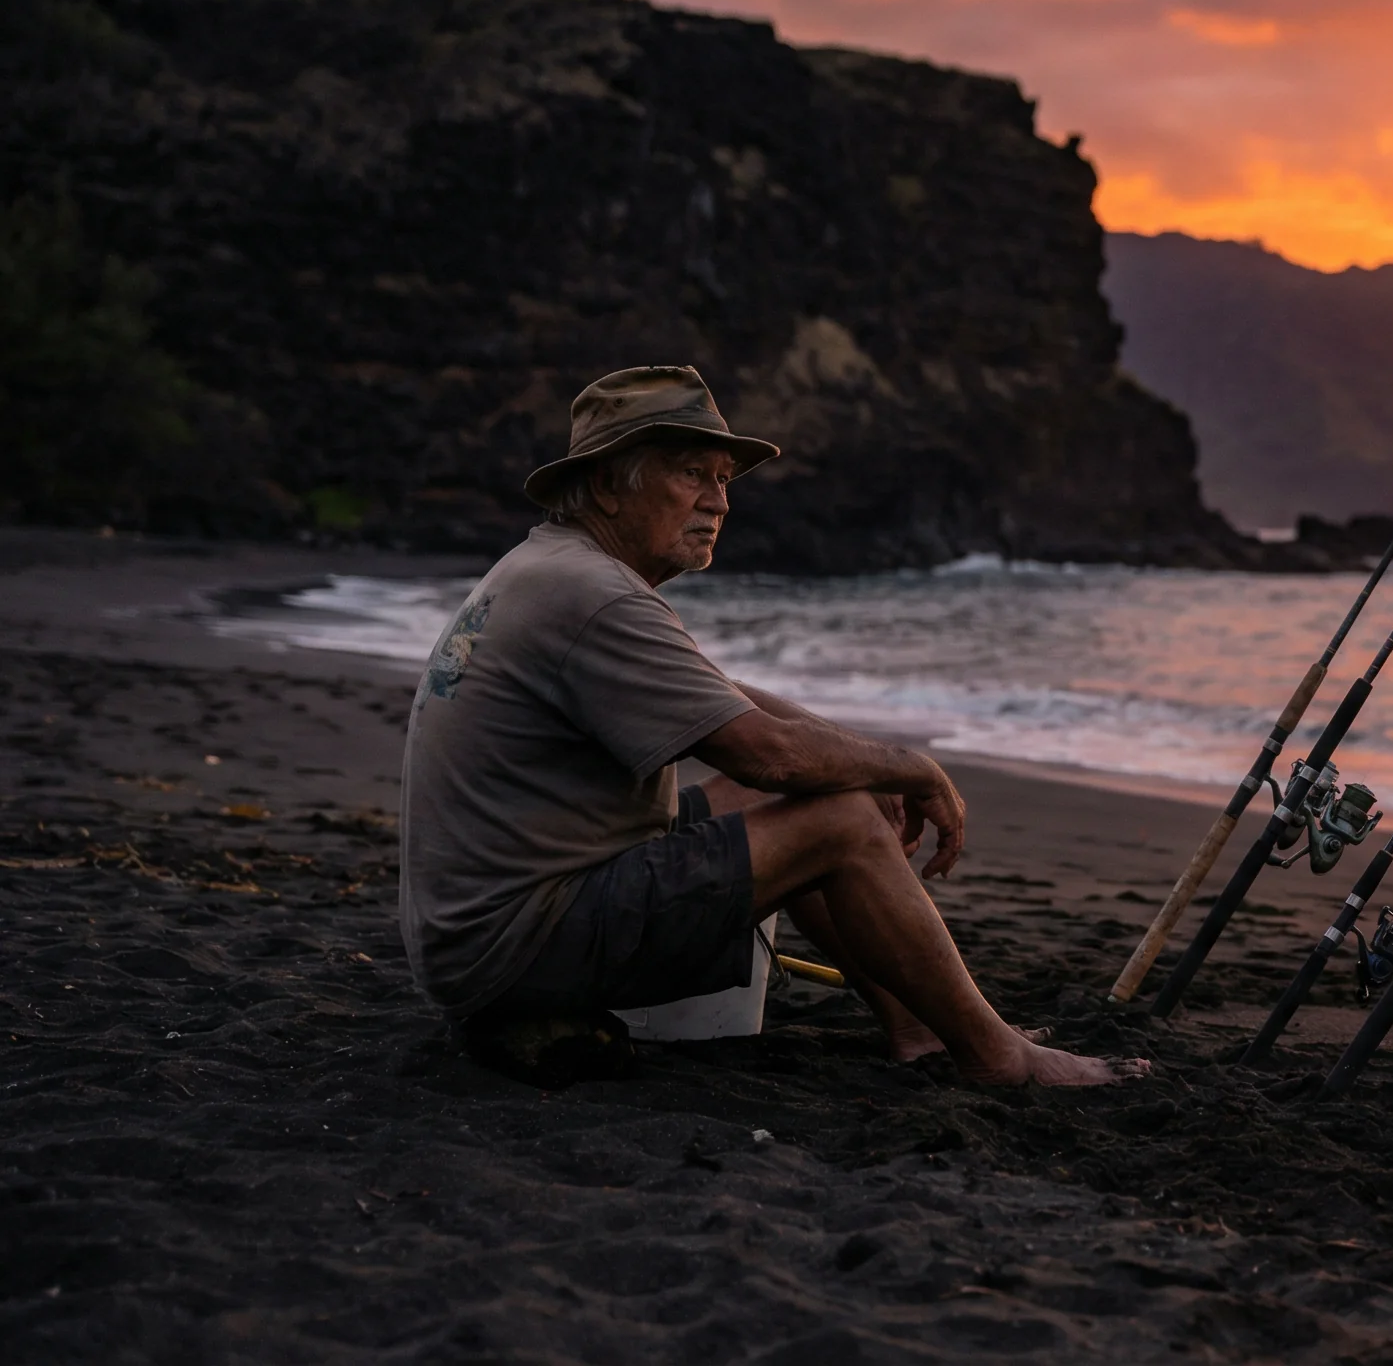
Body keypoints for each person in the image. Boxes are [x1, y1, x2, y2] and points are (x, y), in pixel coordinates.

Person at [399, 365, 1143, 1087]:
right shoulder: (594, 594)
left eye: (723, 479)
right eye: (693, 474)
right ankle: (995, 1054)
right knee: (841, 821)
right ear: (605, 485)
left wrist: (868, 763)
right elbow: (769, 756)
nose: (719, 503)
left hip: (493, 919)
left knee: (821, 800)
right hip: (517, 942)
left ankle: (919, 1031)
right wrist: (909, 769)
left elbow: (729, 698)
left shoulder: (559, 568)